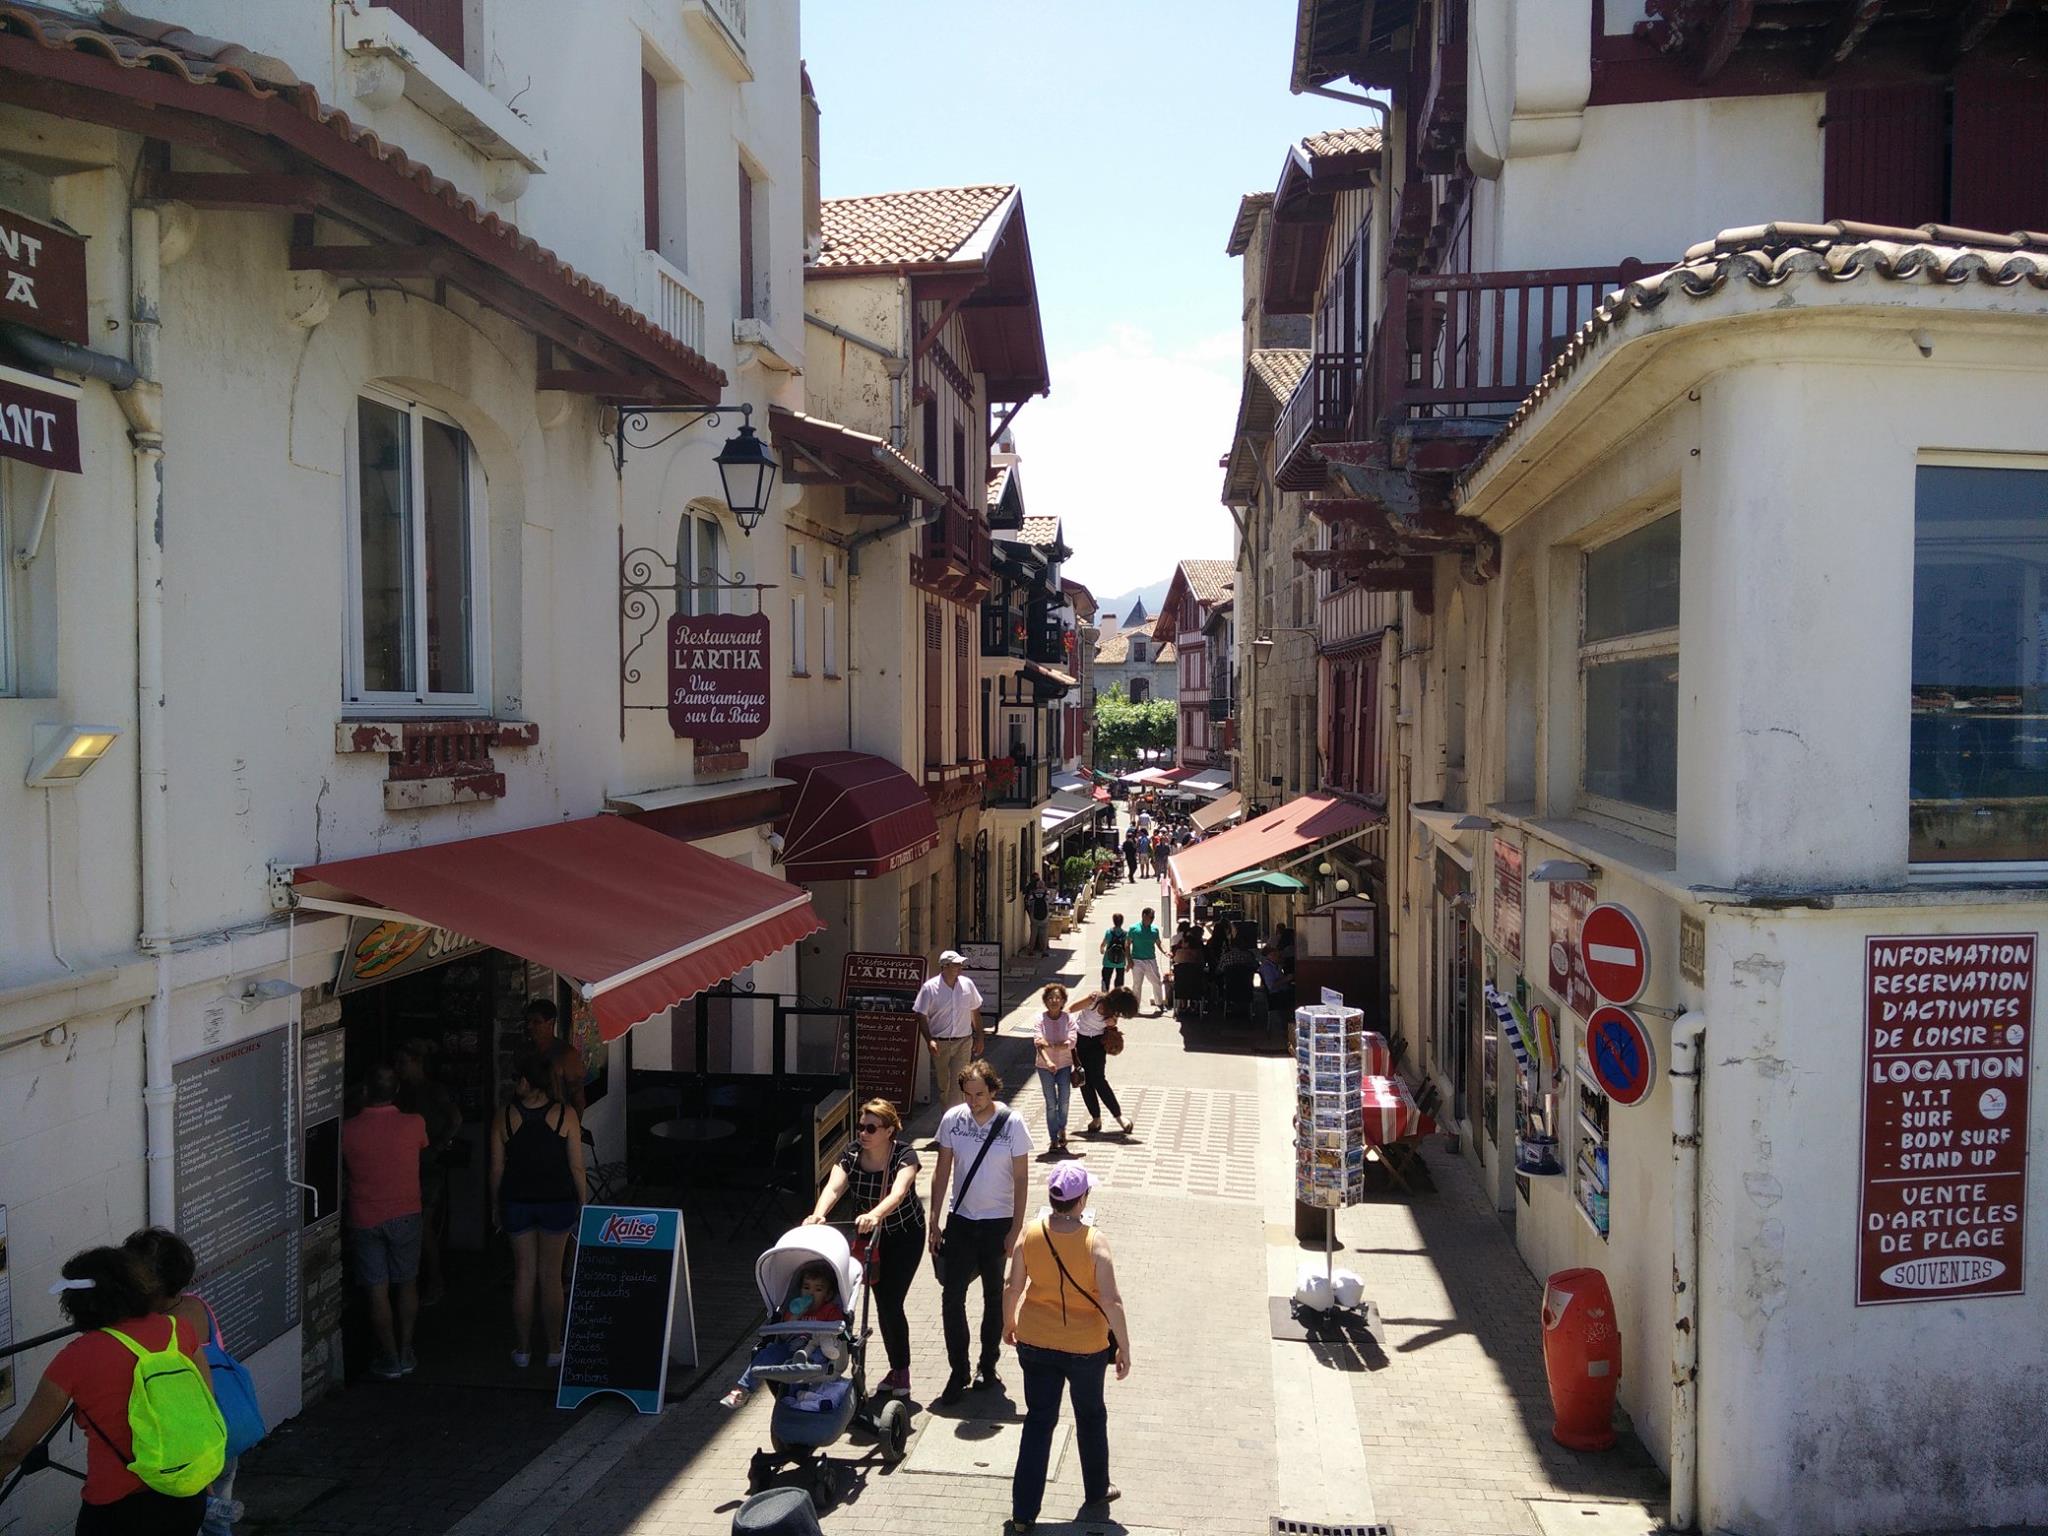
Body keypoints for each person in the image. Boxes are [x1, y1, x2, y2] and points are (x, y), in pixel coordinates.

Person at [0, 1246, 218, 1536]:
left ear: (79, 1302)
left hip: (118, 1507)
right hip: (185, 1493)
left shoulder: (77, 1358)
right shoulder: (178, 1329)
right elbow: (207, 1400)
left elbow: (16, 1446)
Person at [1002, 1163, 1131, 1534]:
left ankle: (1024, 1514)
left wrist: (1008, 1322)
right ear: (1082, 1199)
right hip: (1086, 1347)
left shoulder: (1030, 1233)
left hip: (1036, 1341)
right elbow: (1112, 1301)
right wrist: (1123, 1346)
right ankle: (1096, 1488)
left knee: (1039, 1421)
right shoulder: (1095, 1241)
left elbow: (1013, 1287)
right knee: (1091, 1415)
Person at [928, 1061, 1033, 1405]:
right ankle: (958, 1370)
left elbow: (1021, 1179)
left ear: (993, 1091)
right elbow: (942, 1170)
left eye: (980, 1095)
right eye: (968, 1094)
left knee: (993, 1295)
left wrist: (1016, 1229)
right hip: (961, 1220)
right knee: (951, 1297)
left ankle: (988, 1365)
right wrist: (934, 1218)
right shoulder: (953, 1120)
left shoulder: (1012, 1124)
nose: (973, 1101)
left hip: (997, 1222)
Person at [804, 1097, 924, 1398]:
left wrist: (875, 1213)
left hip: (904, 1234)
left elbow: (898, 1193)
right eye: (861, 1127)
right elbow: (834, 1187)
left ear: (889, 1130)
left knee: (889, 1303)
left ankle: (901, 1371)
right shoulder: (852, 1153)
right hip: (868, 1238)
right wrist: (820, 1213)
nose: (863, 1133)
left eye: (871, 1127)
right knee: (859, 1300)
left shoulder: (904, 1154)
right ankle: (848, 1365)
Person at [123, 1230, 240, 1536]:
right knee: (219, 1525)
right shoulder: (197, 1305)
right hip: (223, 1432)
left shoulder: (167, 1331)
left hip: (194, 1445)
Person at [490, 1053, 587, 1369]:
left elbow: (496, 1168)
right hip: (557, 1200)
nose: (516, 1082)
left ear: (530, 1083)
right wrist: (582, 1202)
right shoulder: (565, 1114)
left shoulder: (504, 1116)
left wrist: (495, 1204)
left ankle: (522, 1349)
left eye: (520, 1077)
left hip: (517, 1200)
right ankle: (554, 1347)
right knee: (551, 1276)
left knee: (524, 1274)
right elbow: (576, 1165)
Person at [340, 1066, 429, 1379]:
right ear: (397, 1091)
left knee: (376, 1290)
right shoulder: (414, 1123)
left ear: (366, 1091)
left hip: (365, 1216)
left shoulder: (348, 1130)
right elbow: (422, 1148)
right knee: (407, 1283)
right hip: (406, 1212)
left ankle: (390, 1357)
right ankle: (406, 1350)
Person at [718, 1262, 847, 1409]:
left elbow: (836, 1332)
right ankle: (743, 1389)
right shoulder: (793, 1308)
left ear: (828, 1295)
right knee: (766, 1353)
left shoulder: (830, 1310)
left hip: (816, 1350)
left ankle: (795, 1396)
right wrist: (796, 1315)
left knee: (814, 1358)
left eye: (818, 1289)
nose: (810, 1293)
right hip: (790, 1347)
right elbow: (784, 1335)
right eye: (806, 1288)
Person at [394, 1040, 462, 1308]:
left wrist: (439, 1145)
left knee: (422, 1227)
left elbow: (455, 1118)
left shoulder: (433, 1091)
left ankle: (434, 1281)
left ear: (416, 1063)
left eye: (402, 1062)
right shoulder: (401, 1092)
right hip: (406, 1166)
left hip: (428, 1168)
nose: (398, 1068)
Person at [913, 950, 985, 1116]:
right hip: (941, 1042)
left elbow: (975, 1011)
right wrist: (929, 1040)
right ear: (944, 967)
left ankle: (958, 1121)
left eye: (961, 964)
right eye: (956, 965)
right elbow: (920, 1014)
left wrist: (980, 1037)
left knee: (960, 1082)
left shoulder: (967, 984)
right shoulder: (930, 988)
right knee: (944, 1084)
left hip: (963, 1041)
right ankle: (948, 1117)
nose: (960, 967)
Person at [1072, 987, 1137, 1137]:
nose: (1118, 1014)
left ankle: (1120, 1118)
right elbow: (1071, 1009)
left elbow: (1112, 1024)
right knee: (1084, 1081)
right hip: (1080, 1042)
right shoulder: (1094, 999)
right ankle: (1096, 1119)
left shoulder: (1113, 1011)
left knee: (1099, 1080)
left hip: (1097, 1043)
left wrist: (1112, 1023)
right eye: (1119, 1011)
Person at [1032, 984, 1078, 1157]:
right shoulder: (1040, 1019)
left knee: (1064, 1100)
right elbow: (1038, 1043)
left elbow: (1072, 1041)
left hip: (1065, 1066)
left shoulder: (1068, 1019)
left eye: (1058, 997)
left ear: (1063, 1001)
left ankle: (1062, 1129)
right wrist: (1049, 1060)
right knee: (1051, 1104)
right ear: (1045, 1001)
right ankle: (1053, 1138)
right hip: (1044, 1067)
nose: (1054, 1000)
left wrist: (1052, 1045)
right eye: (1050, 997)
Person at [525, 1000, 586, 1115]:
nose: (530, 1026)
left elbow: (578, 1097)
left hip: (557, 1120)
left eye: (536, 1022)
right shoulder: (526, 1051)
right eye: (528, 1021)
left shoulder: (566, 1054)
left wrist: (572, 1128)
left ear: (550, 1023)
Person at [1125, 907, 1167, 1016]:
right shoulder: (1133, 929)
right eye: (1151, 917)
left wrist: (1165, 952)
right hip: (1137, 961)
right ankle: (1135, 1007)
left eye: (1153, 917)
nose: (1152, 919)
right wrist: (1129, 961)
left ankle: (1159, 1003)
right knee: (1137, 985)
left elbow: (1158, 943)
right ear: (1144, 916)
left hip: (1150, 960)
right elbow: (1127, 945)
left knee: (1157, 982)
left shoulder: (1154, 930)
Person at [1098, 914, 1129, 992]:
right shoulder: (1125, 934)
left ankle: (1105, 995)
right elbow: (1127, 948)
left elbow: (1103, 944)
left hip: (1108, 960)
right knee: (1119, 982)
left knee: (1106, 979)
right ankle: (1117, 997)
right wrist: (1128, 961)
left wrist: (1102, 950)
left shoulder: (1109, 932)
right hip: (1121, 962)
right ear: (1122, 922)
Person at [1025, 880, 1051, 957]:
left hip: (1034, 917)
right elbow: (1050, 901)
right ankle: (1043, 951)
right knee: (1044, 935)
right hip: (1044, 917)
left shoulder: (1032, 894)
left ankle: (1031, 950)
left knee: (1033, 934)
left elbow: (1029, 903)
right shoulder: (1046, 893)